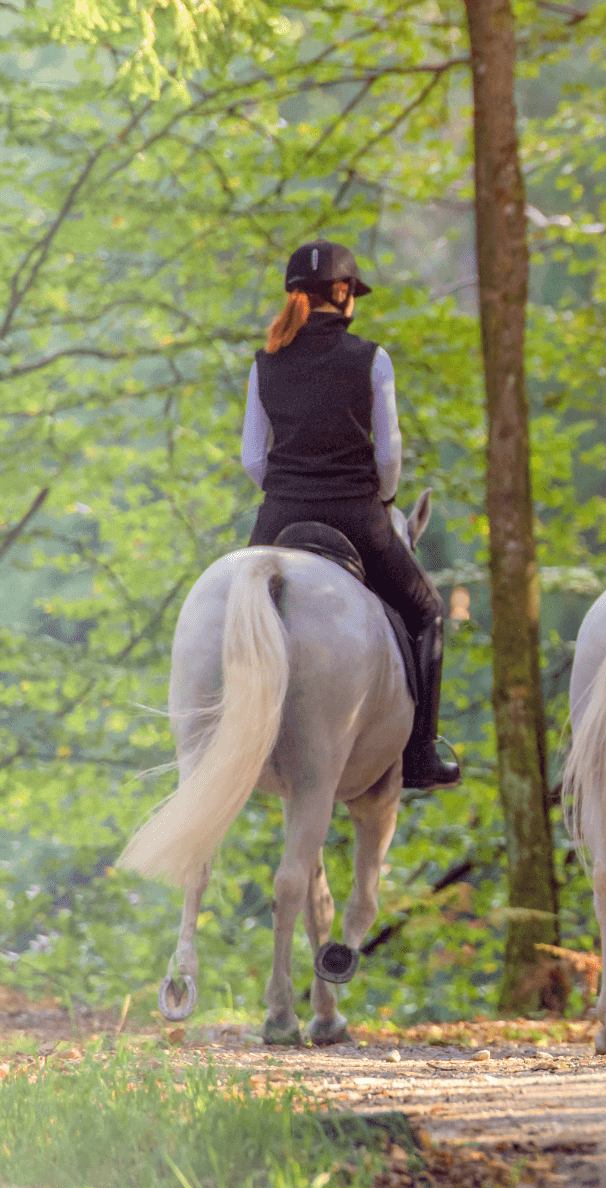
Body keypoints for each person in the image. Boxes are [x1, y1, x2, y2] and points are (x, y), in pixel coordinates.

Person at [240, 239, 459, 792]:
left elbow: (251, 458)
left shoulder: (264, 362)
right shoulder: (372, 358)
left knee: (233, 614)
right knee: (427, 612)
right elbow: (388, 455)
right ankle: (420, 755)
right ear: (343, 294)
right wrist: (382, 500)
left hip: (279, 517)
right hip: (356, 516)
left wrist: (289, 490)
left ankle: (223, 731)